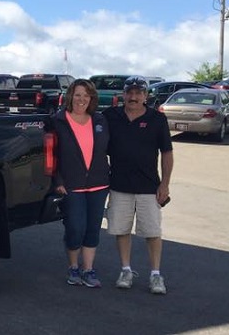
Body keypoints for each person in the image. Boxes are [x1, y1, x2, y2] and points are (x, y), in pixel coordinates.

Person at [103, 76, 174, 295]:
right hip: (119, 185)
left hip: (148, 187)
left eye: (138, 93)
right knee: (121, 230)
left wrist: (165, 184)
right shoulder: (110, 116)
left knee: (152, 232)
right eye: (129, 92)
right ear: (123, 95)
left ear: (145, 96)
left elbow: (167, 153)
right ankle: (126, 270)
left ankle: (155, 275)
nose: (133, 97)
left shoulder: (157, 119)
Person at [52, 78, 110, 287]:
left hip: (99, 183)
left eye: (86, 95)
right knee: (76, 227)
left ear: (91, 98)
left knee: (92, 228)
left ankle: (88, 269)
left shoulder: (99, 120)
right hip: (71, 184)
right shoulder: (59, 121)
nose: (81, 99)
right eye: (78, 95)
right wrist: (57, 180)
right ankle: (73, 267)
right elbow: (52, 155)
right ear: (70, 96)